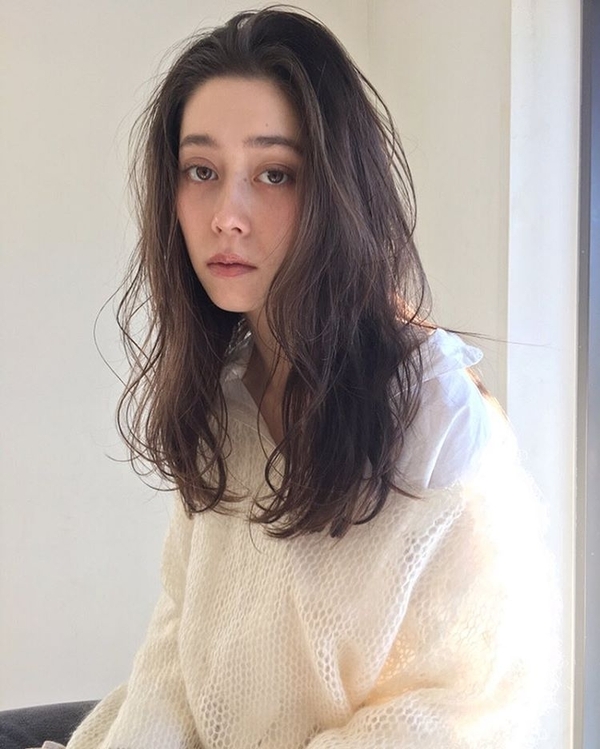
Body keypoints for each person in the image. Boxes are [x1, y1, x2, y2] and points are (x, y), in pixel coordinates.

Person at [22, 7, 556, 748]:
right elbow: (175, 656)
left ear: (337, 190)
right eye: (202, 171)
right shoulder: (225, 399)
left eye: (274, 174)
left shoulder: (436, 417)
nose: (227, 216)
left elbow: (467, 711)